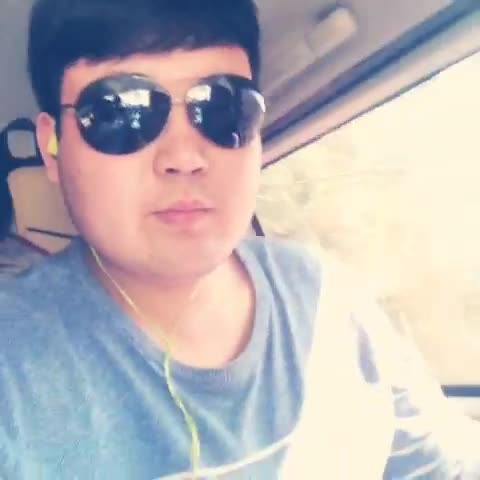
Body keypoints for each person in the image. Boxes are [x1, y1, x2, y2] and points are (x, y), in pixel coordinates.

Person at [0, 0, 479, 478]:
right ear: (52, 149)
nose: (185, 157)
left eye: (223, 107)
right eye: (122, 112)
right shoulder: (15, 366)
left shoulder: (324, 299)